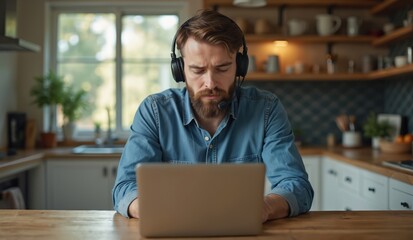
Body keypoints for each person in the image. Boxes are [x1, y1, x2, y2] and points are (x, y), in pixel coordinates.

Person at [112, 9, 313, 222]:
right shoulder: (154, 112)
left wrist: (263, 208)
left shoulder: (266, 109)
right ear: (180, 70)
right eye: (197, 70)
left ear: (239, 66)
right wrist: (156, 210)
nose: (210, 83)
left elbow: (297, 185)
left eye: (222, 68)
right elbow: (125, 188)